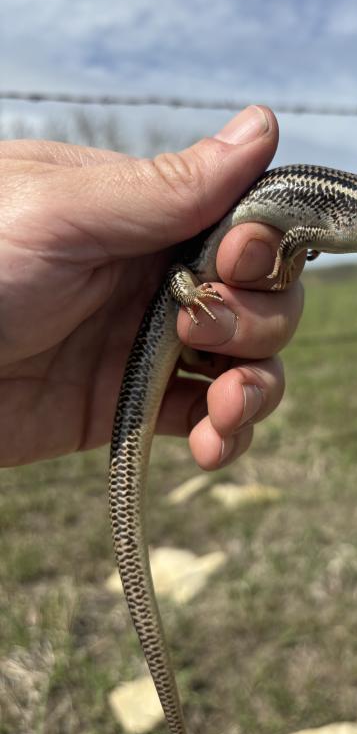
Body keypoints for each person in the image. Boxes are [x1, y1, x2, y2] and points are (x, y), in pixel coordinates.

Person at [0, 105, 303, 468]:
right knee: (201, 298)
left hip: (171, 294)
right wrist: (189, 296)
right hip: (179, 282)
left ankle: (194, 348)